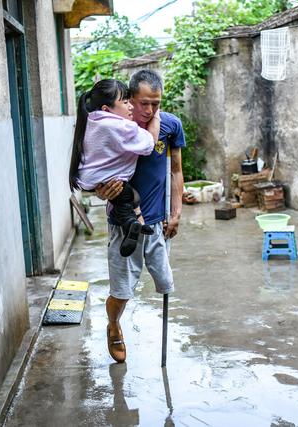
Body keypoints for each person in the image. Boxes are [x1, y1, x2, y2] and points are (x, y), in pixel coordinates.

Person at [97, 69, 185, 363]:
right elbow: (98, 168)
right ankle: (113, 324)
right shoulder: (116, 127)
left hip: (158, 223)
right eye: (143, 103)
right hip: (123, 225)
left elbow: (175, 170)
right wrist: (100, 191)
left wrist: (176, 212)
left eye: (156, 104)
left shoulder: (171, 125)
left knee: (165, 284)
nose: (149, 110)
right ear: (130, 99)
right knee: (121, 292)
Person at [69, 79, 161, 257]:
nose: (131, 107)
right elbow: (149, 143)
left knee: (127, 199)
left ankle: (134, 225)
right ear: (106, 109)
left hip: (93, 177)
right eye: (126, 102)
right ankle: (135, 222)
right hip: (107, 179)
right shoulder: (119, 125)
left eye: (155, 105)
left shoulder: (92, 121)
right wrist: (157, 116)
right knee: (130, 196)